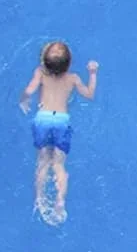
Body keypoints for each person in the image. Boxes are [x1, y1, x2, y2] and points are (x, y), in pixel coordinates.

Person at [18, 41, 98, 225]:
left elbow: (29, 90)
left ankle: (40, 198)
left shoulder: (40, 73)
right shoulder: (73, 78)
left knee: (43, 161)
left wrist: (24, 100)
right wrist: (93, 73)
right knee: (59, 164)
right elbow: (89, 94)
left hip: (43, 118)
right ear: (68, 63)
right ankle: (60, 201)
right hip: (61, 120)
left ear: (44, 61)